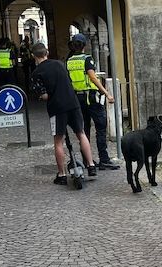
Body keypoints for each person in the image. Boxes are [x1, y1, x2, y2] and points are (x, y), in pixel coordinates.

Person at [30, 42, 97, 185]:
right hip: (73, 104)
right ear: (46, 52)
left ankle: (62, 175)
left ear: (33, 56)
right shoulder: (60, 64)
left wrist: (42, 96)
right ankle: (91, 165)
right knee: (81, 134)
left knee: (58, 141)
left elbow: (45, 96)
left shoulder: (37, 73)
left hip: (57, 108)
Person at [67, 33, 119, 170]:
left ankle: (87, 160)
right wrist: (106, 93)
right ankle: (104, 159)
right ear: (84, 45)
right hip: (91, 98)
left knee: (84, 130)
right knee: (101, 127)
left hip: (77, 99)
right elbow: (93, 78)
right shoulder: (87, 59)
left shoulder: (69, 60)